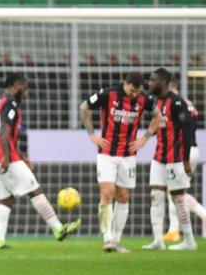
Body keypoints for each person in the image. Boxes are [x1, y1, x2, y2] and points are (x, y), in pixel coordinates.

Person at [0, 73, 81, 250]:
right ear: (16, 85)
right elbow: (4, 130)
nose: (26, 91)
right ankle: (58, 229)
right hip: (5, 158)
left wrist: (22, 156)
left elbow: (1, 133)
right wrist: (7, 157)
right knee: (34, 189)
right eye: (25, 87)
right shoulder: (11, 103)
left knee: (6, 199)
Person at [80, 71, 161, 253]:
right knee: (107, 192)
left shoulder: (143, 99)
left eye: (137, 91)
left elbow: (158, 116)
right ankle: (107, 238)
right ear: (125, 83)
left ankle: (116, 240)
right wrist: (92, 134)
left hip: (128, 155)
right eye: (132, 90)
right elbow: (84, 107)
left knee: (123, 196)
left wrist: (145, 138)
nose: (134, 94)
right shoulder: (108, 94)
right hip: (107, 153)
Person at [142, 68, 197, 251]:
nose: (150, 83)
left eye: (153, 80)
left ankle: (189, 240)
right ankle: (158, 240)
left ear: (163, 82)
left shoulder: (177, 102)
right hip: (159, 156)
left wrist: (187, 160)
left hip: (175, 158)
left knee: (178, 198)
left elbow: (188, 130)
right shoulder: (154, 101)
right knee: (155, 196)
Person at [163, 79, 205, 242]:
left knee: (175, 192)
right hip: (193, 148)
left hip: (183, 151)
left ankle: (201, 214)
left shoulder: (175, 104)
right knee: (174, 191)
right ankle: (174, 230)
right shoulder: (189, 104)